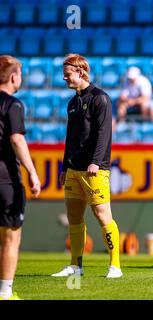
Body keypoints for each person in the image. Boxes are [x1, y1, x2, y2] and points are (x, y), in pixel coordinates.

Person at [52, 54, 122, 278]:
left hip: (95, 169)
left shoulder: (100, 99)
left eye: (67, 73)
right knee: (74, 216)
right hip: (73, 169)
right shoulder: (72, 103)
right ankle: (75, 266)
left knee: (102, 215)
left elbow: (104, 134)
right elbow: (70, 137)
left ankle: (115, 266)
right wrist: (65, 167)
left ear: (80, 72)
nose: (64, 78)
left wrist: (95, 161)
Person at [0, 55, 41, 300]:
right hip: (5, 179)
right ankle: (4, 292)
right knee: (10, 237)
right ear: (14, 77)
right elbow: (17, 139)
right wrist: (33, 172)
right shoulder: (13, 105)